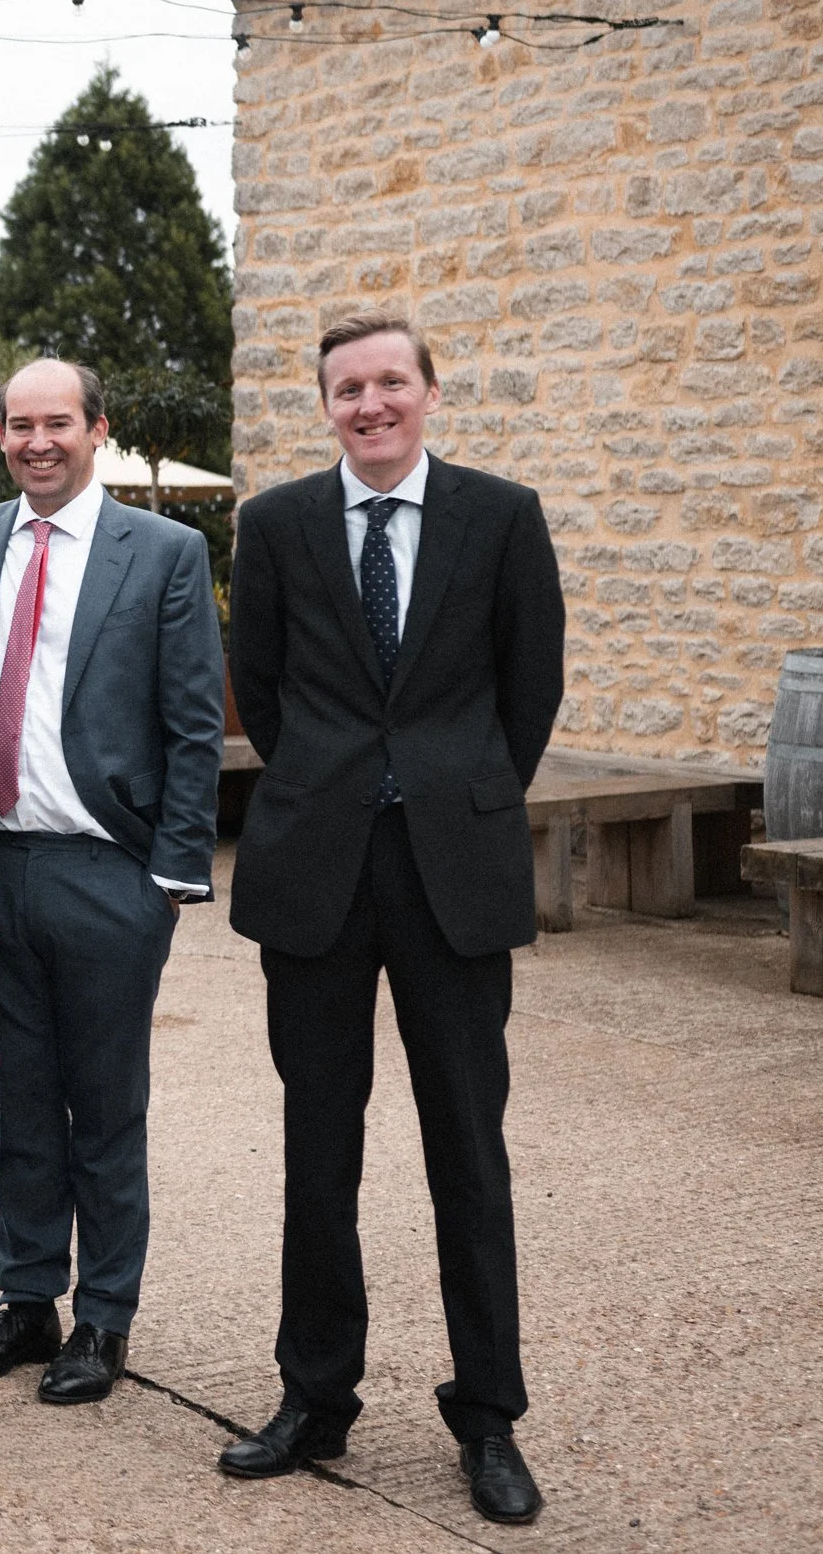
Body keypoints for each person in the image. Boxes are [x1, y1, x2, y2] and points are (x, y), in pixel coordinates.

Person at [219, 310, 564, 1526]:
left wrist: (453, 789)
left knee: (467, 1148)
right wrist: (334, 782)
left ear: (427, 390)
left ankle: (489, 1415)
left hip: (451, 874)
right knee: (319, 1149)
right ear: (325, 406)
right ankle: (314, 1396)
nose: (369, 404)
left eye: (388, 383)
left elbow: (529, 688)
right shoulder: (275, 524)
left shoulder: (501, 516)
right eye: (346, 389)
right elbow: (260, 689)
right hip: (315, 870)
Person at [0, 358, 226, 1406]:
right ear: (1, 436)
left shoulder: (165, 552)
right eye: (20, 424)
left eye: (57, 421)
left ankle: (103, 1315)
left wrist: (169, 879)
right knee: (15, 1104)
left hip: (109, 871)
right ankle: (27, 1301)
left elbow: (194, 722)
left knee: (104, 1109)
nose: (38, 441)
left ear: (97, 428)